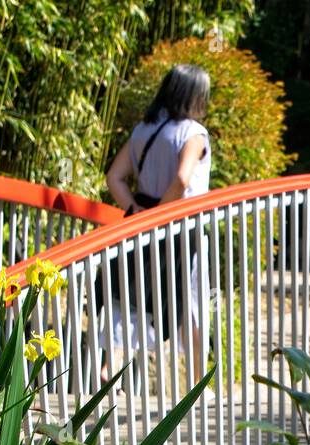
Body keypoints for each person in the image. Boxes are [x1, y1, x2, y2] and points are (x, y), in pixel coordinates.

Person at [104, 63, 213, 389]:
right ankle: (197, 383)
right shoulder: (193, 133)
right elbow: (182, 179)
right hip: (181, 228)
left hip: (138, 224)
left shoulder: (143, 129)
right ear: (194, 96)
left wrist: (136, 210)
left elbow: (114, 177)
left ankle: (109, 365)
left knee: (129, 294)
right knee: (191, 303)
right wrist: (161, 217)